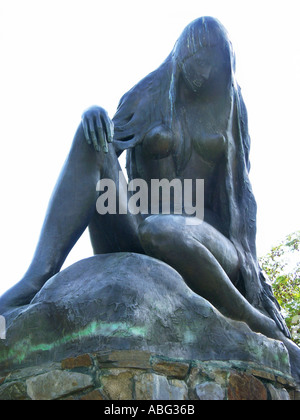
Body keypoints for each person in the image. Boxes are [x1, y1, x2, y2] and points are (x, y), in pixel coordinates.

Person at [1, 16, 299, 381]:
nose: (202, 71)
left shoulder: (231, 107)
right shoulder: (146, 95)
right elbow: (109, 147)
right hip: (142, 227)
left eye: (212, 62)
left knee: (163, 229)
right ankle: (36, 277)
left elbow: (240, 193)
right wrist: (94, 116)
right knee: (91, 138)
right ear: (181, 52)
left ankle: (253, 320)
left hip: (210, 240)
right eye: (196, 58)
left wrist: (249, 269)